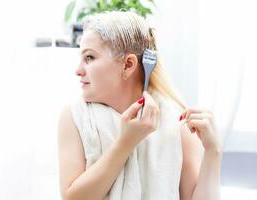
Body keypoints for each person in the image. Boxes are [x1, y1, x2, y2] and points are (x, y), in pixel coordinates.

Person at [58, 11, 221, 200]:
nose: (78, 70)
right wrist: (126, 142)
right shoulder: (74, 116)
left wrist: (213, 151)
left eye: (89, 58)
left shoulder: (177, 124)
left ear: (128, 65)